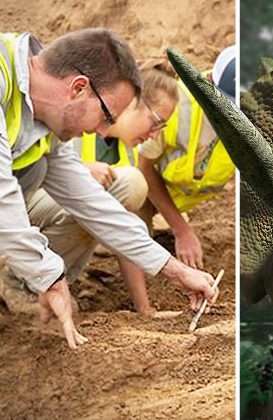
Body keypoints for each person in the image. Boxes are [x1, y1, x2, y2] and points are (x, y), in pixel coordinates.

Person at [0, 28, 218, 349]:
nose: (102, 132)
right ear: (78, 88)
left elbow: (95, 206)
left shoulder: (45, 124)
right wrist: (49, 276)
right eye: (105, 116)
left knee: (42, 168)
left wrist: (173, 270)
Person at [72, 48, 236, 314]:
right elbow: (129, 208)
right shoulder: (171, 104)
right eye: (155, 123)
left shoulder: (129, 142)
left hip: (132, 194)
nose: (153, 134)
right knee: (124, 213)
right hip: (102, 191)